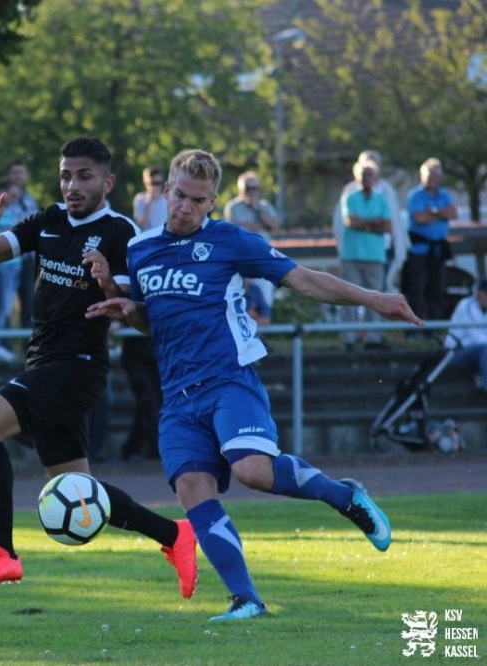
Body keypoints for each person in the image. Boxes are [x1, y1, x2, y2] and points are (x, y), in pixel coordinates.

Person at [86, 148, 422, 621]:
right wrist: (122, 303)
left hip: (228, 380)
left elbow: (303, 280)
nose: (184, 207)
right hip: (177, 396)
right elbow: (151, 320)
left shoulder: (231, 240)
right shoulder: (140, 250)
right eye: (179, 195)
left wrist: (374, 299)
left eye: (197, 200)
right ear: (165, 191)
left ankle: (344, 496)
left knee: (252, 471)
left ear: (212, 203)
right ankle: (246, 599)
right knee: (192, 490)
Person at [0, 136, 197, 595]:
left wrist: (108, 282)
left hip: (78, 367)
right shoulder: (47, 221)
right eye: (66, 175)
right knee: (78, 489)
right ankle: (174, 535)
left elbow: (130, 309)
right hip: (43, 362)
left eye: (84, 176)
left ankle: (2, 552)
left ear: (106, 182)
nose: (72, 185)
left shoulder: (119, 231)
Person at [332, 150, 406, 292]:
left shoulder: (385, 191)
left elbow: (390, 224)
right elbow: (348, 222)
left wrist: (363, 223)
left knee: (378, 291)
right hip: (353, 251)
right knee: (352, 293)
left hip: (380, 250)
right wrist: (374, 223)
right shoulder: (350, 192)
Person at [338, 160, 392, 351]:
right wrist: (374, 223)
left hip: (375, 256)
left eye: (369, 174)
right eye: (362, 174)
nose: (366, 178)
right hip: (352, 254)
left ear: (375, 178)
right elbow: (351, 221)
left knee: (376, 298)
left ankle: (373, 338)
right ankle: (349, 338)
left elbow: (387, 226)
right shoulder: (350, 197)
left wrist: (364, 223)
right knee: (348, 297)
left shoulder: (382, 199)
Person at [403, 158, 458, 325]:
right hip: (419, 251)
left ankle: (432, 328)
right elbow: (419, 218)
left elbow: (453, 213)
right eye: (430, 175)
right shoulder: (415, 195)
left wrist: (432, 211)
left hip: (438, 251)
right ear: (422, 176)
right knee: (416, 290)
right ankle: (413, 329)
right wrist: (441, 213)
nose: (433, 179)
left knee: (436, 290)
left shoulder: (445, 195)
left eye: (436, 176)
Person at [223, 172, 280, 321]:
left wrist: (257, 210)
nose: (252, 192)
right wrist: (261, 226)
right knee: (244, 308)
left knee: (264, 310)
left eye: (255, 188)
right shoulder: (233, 206)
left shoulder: (265, 206)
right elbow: (238, 229)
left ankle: (263, 334)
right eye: (248, 188)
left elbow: (274, 226)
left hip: (264, 261)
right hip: (242, 264)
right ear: (240, 189)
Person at [0, 178, 23, 365]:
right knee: (3, 307)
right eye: (12, 195)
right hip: (2, 266)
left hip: (15, 265)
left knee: (6, 308)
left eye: (16, 195)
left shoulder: (14, 211)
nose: (14, 198)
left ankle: (1, 347)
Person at [6, 159, 40, 348]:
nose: (17, 176)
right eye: (14, 172)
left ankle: (28, 345)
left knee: (29, 301)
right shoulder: (1, 199)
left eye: (21, 172)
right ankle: (2, 347)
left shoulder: (30, 201)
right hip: (7, 259)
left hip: (28, 258)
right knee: (5, 304)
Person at [118, 329, 162, 462]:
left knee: (149, 404)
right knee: (148, 402)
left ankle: (132, 448)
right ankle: (156, 447)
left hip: (157, 354)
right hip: (136, 354)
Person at [445, 278, 487, 396]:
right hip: (455, 352)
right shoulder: (465, 306)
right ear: (478, 293)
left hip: (479, 353)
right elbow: (474, 335)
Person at [132, 166, 168, 231]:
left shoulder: (168, 200)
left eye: (157, 183)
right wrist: (148, 202)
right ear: (145, 183)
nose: (154, 187)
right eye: (152, 183)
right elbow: (141, 225)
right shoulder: (139, 199)